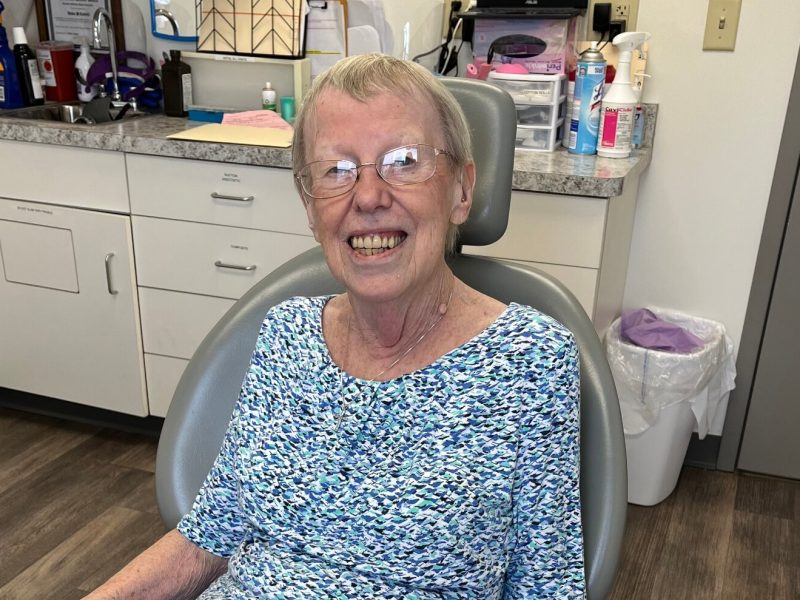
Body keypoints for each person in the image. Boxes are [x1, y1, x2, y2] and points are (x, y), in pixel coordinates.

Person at [86, 53, 584, 599]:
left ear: (461, 191)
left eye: (403, 159)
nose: (367, 197)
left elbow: (547, 588)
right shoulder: (285, 335)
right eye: (336, 170)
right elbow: (209, 534)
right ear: (309, 204)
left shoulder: (530, 362)